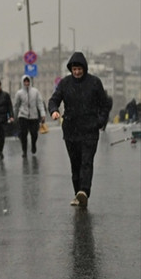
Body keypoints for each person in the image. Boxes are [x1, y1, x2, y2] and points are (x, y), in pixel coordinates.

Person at [48, 52, 112, 207]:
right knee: (75, 165)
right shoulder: (65, 84)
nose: (77, 72)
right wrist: (54, 110)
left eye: (79, 69)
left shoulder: (95, 83)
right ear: (71, 69)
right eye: (74, 69)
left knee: (86, 162)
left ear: (84, 68)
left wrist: (100, 121)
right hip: (71, 131)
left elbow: (105, 104)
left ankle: (84, 191)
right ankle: (78, 194)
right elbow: (53, 99)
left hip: (90, 130)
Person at [14, 75, 46, 157]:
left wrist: (42, 114)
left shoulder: (35, 92)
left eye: (27, 81)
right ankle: (24, 150)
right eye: (25, 81)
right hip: (23, 116)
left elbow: (40, 103)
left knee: (34, 133)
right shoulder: (19, 93)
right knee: (23, 134)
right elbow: (16, 105)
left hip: (33, 116)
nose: (26, 83)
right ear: (22, 82)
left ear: (30, 82)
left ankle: (33, 144)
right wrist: (15, 116)